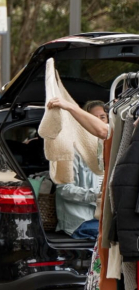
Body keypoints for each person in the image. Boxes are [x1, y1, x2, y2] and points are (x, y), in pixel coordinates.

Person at [47, 100, 106, 239]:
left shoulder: (108, 149)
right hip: (80, 221)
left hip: (102, 219)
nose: (97, 122)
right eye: (92, 118)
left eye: (102, 117)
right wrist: (96, 195)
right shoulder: (71, 151)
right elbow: (63, 189)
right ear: (83, 121)